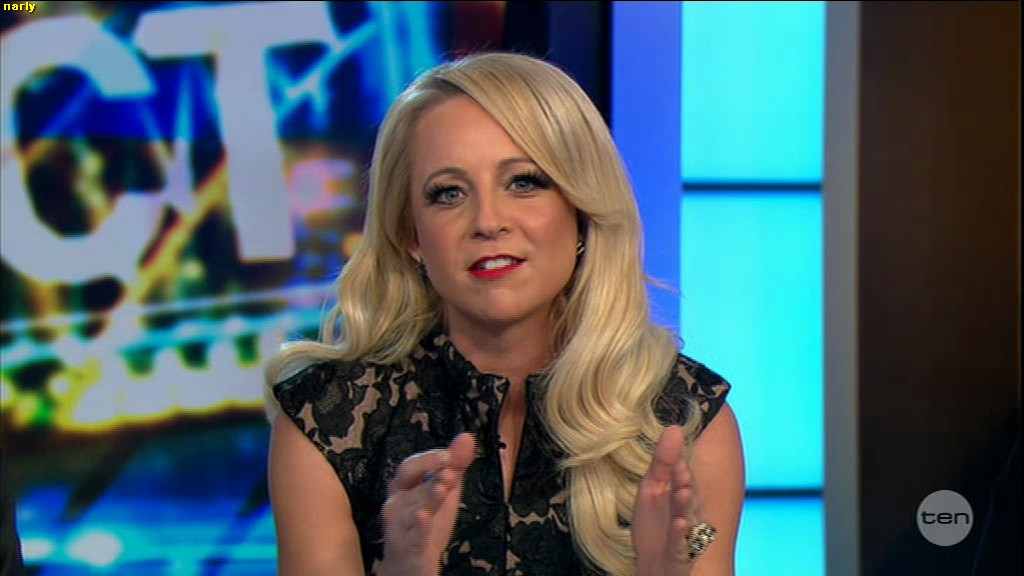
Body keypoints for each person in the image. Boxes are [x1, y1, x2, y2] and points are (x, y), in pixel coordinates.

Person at [264, 52, 744, 576]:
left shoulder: (687, 421)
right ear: (411, 235)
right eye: (448, 193)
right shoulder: (329, 422)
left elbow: (696, 555)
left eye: (523, 182)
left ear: (581, 210)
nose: (488, 221)